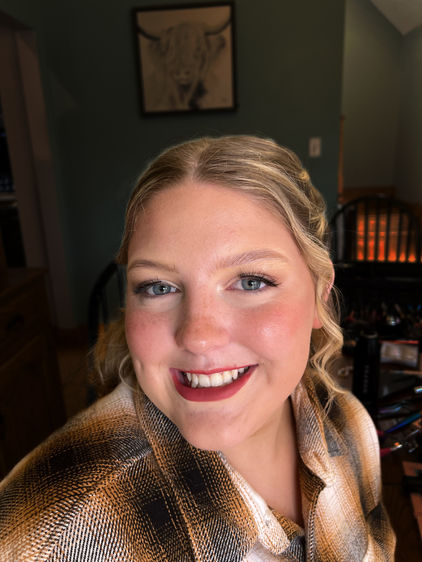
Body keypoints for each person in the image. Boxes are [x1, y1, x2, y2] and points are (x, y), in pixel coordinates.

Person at [0, 135, 395, 560]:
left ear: (320, 295)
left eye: (251, 282)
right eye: (159, 287)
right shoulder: (49, 537)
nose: (198, 336)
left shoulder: (350, 426)